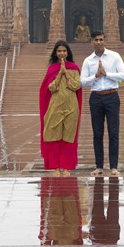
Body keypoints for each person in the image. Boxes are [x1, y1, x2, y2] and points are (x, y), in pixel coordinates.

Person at [80, 31, 124, 177]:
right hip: (96, 97)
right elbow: (81, 82)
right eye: (96, 40)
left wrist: (106, 74)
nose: (99, 42)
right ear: (91, 42)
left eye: (101, 39)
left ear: (105, 41)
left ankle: (113, 166)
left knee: (114, 132)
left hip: (112, 96)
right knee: (97, 133)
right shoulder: (88, 60)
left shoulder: (114, 57)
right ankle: (99, 166)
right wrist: (95, 76)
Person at [39, 40, 83, 176]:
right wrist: (60, 73)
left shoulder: (74, 68)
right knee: (54, 136)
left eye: (64, 51)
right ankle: (56, 167)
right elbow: (51, 88)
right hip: (55, 106)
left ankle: (67, 167)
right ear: (55, 53)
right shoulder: (52, 69)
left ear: (68, 52)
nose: (62, 53)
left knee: (69, 137)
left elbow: (76, 86)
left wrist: (67, 73)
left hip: (71, 106)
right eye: (59, 51)